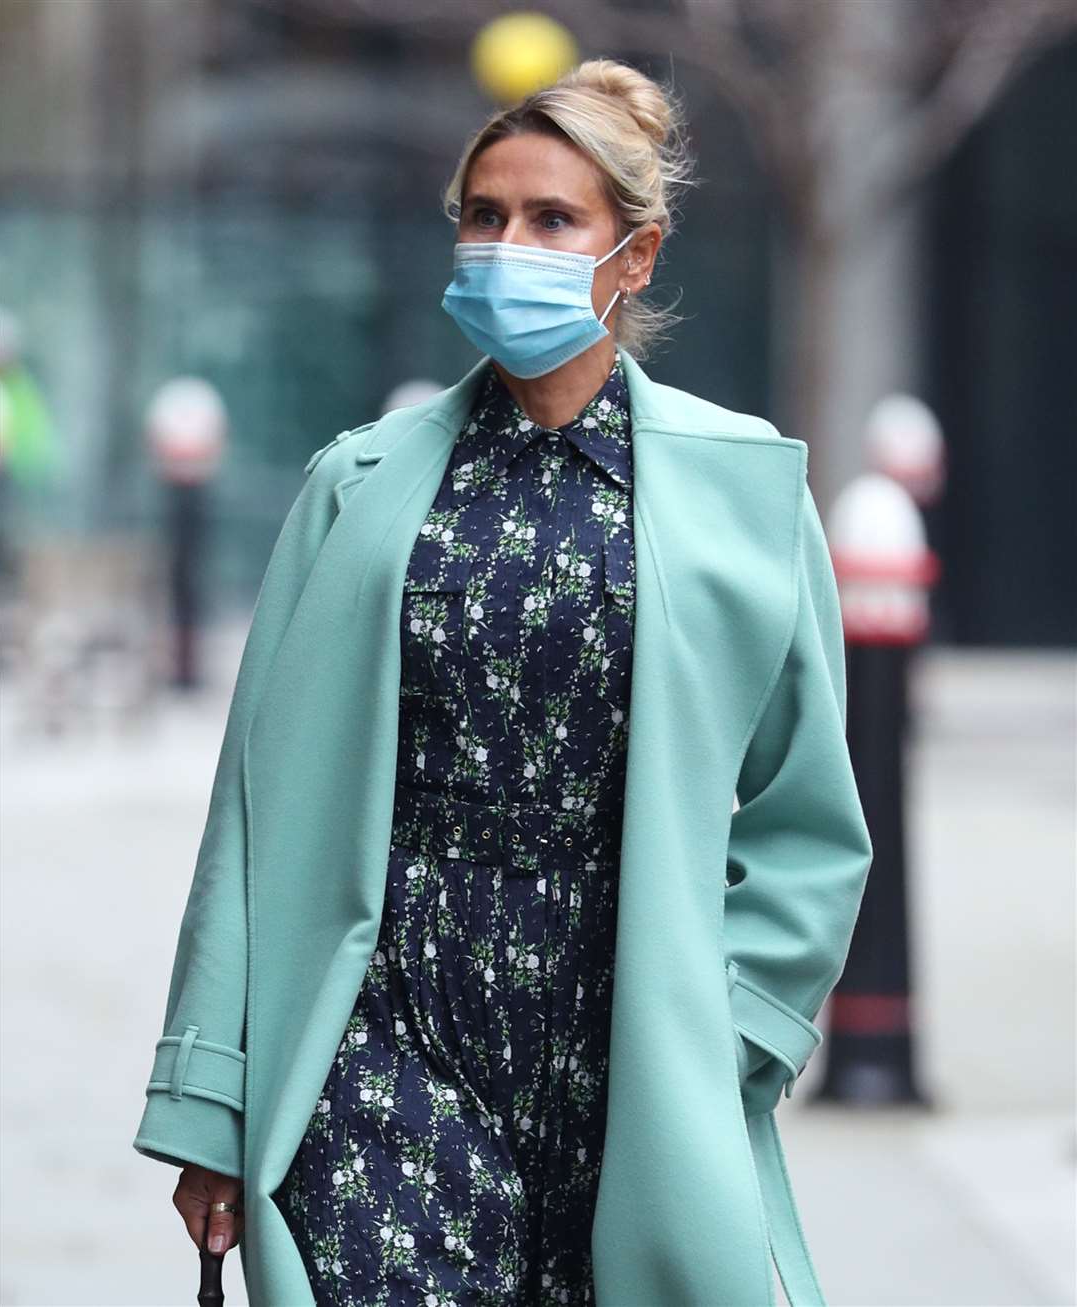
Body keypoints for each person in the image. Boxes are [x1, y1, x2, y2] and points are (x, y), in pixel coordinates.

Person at [134, 58, 873, 1307]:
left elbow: (808, 820)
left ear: (633, 257)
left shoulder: (745, 494)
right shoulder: (355, 485)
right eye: (484, 216)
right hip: (379, 1037)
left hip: (629, 1050)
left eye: (550, 220)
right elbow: (252, 816)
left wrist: (731, 1039)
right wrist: (209, 1092)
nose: (504, 246)